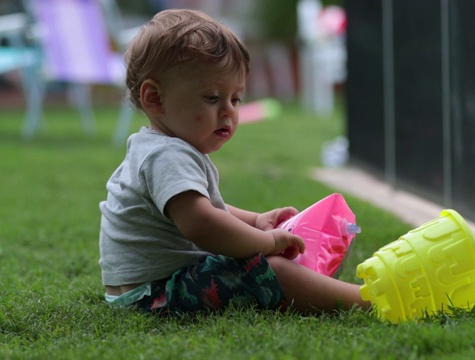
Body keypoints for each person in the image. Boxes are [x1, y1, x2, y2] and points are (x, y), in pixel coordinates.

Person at [99, 9, 369, 315]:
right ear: (155, 99)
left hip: (149, 289)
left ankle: (312, 285)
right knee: (268, 266)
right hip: (155, 295)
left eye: (235, 99)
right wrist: (265, 241)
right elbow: (202, 222)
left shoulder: (161, 147)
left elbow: (207, 208)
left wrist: (255, 221)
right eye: (212, 98)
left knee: (265, 259)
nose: (228, 111)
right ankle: (366, 301)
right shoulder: (166, 155)